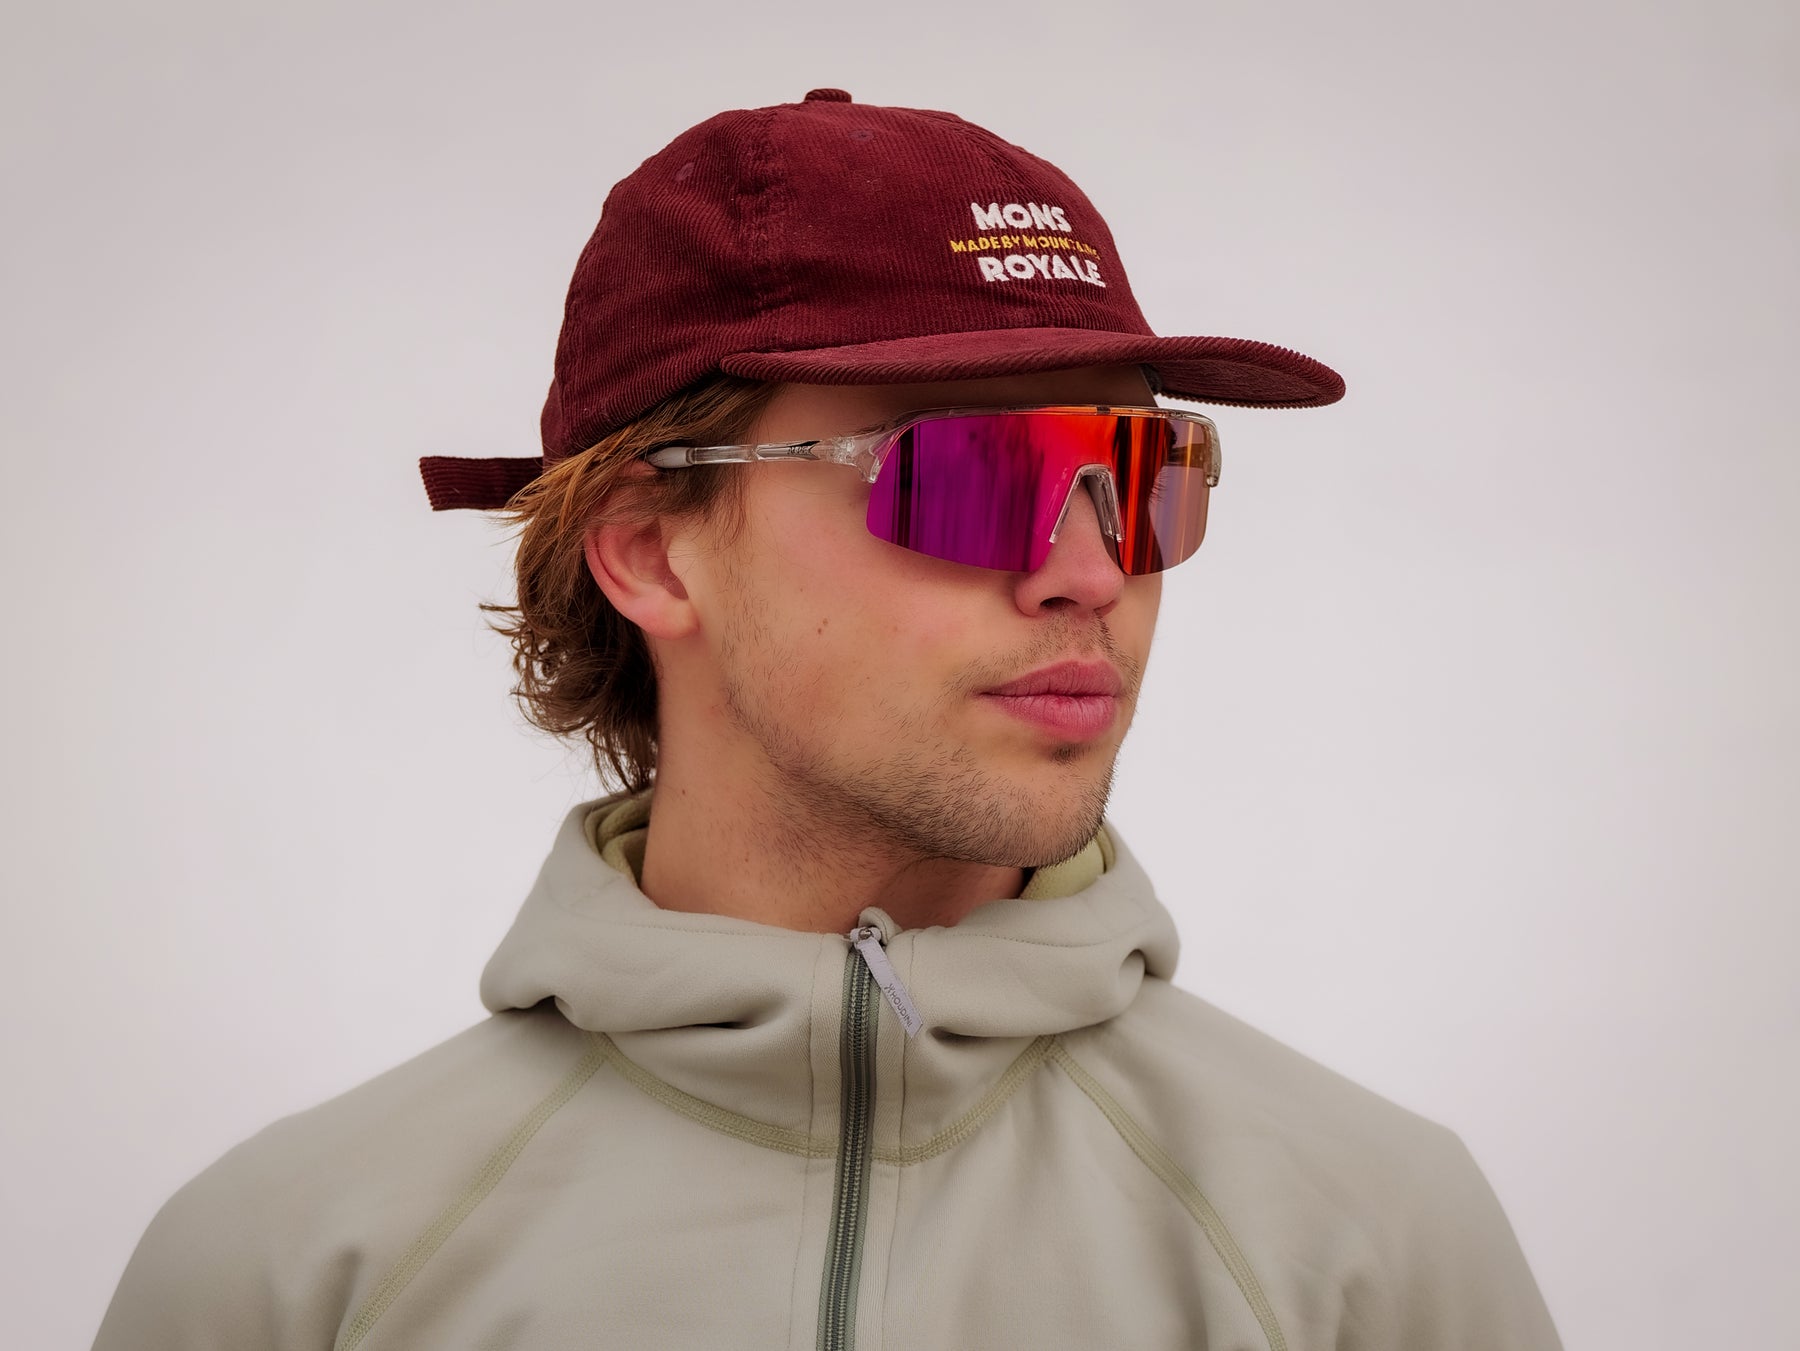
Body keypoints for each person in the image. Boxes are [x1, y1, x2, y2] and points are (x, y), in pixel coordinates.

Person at [93, 89, 1562, 1350]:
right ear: (651, 552)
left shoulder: (1369, 1246)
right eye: (974, 476)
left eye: (1143, 473)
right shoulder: (290, 1272)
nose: (1090, 572)